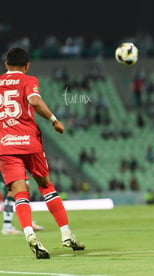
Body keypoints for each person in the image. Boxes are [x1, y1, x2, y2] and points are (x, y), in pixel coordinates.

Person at [0, 48, 84, 259]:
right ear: (27, 65)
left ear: (5, 64)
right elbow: (35, 102)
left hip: (5, 145)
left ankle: (28, 232)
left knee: (20, 192)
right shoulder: (28, 80)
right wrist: (54, 119)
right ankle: (66, 234)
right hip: (29, 142)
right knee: (46, 187)